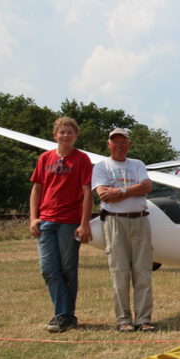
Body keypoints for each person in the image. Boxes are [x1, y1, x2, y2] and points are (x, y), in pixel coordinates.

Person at [29, 117, 93, 333]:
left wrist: (84, 224)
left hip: (69, 222)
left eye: (69, 132)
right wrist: (33, 218)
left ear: (76, 135)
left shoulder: (82, 159)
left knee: (67, 270)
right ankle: (64, 315)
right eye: (62, 132)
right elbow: (37, 189)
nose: (65, 136)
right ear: (55, 135)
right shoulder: (45, 158)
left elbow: (87, 193)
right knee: (48, 269)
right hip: (46, 221)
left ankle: (64, 316)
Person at [92, 128, 156, 332]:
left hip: (139, 220)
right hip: (114, 222)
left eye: (123, 142)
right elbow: (103, 195)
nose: (119, 146)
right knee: (119, 271)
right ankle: (123, 320)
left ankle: (144, 319)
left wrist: (119, 191)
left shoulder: (137, 164)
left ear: (129, 145)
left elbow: (146, 187)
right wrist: (131, 190)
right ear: (108, 144)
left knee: (143, 271)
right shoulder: (101, 166)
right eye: (115, 142)